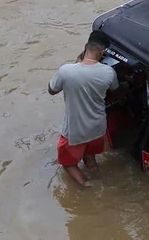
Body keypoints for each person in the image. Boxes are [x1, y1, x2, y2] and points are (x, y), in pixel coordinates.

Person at [48, 31, 123, 187]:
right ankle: (97, 177)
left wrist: (75, 65)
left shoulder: (66, 71)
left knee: (67, 163)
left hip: (75, 131)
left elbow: (51, 90)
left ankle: (87, 188)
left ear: (85, 47)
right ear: (102, 52)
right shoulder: (109, 72)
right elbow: (116, 89)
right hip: (98, 129)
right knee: (90, 158)